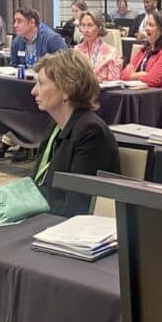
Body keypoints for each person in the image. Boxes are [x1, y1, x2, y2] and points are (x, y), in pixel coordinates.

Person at [30, 49, 121, 216]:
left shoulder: (91, 132)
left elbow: (77, 205)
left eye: (41, 83)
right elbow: (38, 182)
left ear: (66, 90)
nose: (34, 91)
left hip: (69, 228)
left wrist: (33, 206)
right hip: (45, 216)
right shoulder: (56, 126)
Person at [121, 10, 162, 121]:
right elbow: (123, 75)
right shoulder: (144, 50)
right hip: (139, 99)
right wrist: (139, 74)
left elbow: (151, 80)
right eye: (146, 25)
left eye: (151, 25)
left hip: (159, 105)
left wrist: (133, 74)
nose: (147, 29)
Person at [74, 9, 121, 81]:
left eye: (90, 25)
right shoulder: (76, 51)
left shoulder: (112, 53)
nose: (86, 30)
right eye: (83, 25)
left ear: (99, 28)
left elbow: (114, 84)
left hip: (103, 91)